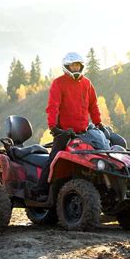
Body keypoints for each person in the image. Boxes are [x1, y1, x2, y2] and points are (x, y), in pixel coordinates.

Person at [33, 52, 103, 197]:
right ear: (66, 67)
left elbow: (93, 106)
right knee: (53, 159)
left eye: (78, 65)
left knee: (98, 156)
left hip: (84, 132)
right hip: (64, 131)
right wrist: (53, 127)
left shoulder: (87, 83)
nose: (75, 68)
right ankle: (41, 191)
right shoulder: (59, 83)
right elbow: (53, 106)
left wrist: (98, 123)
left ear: (81, 66)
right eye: (72, 65)